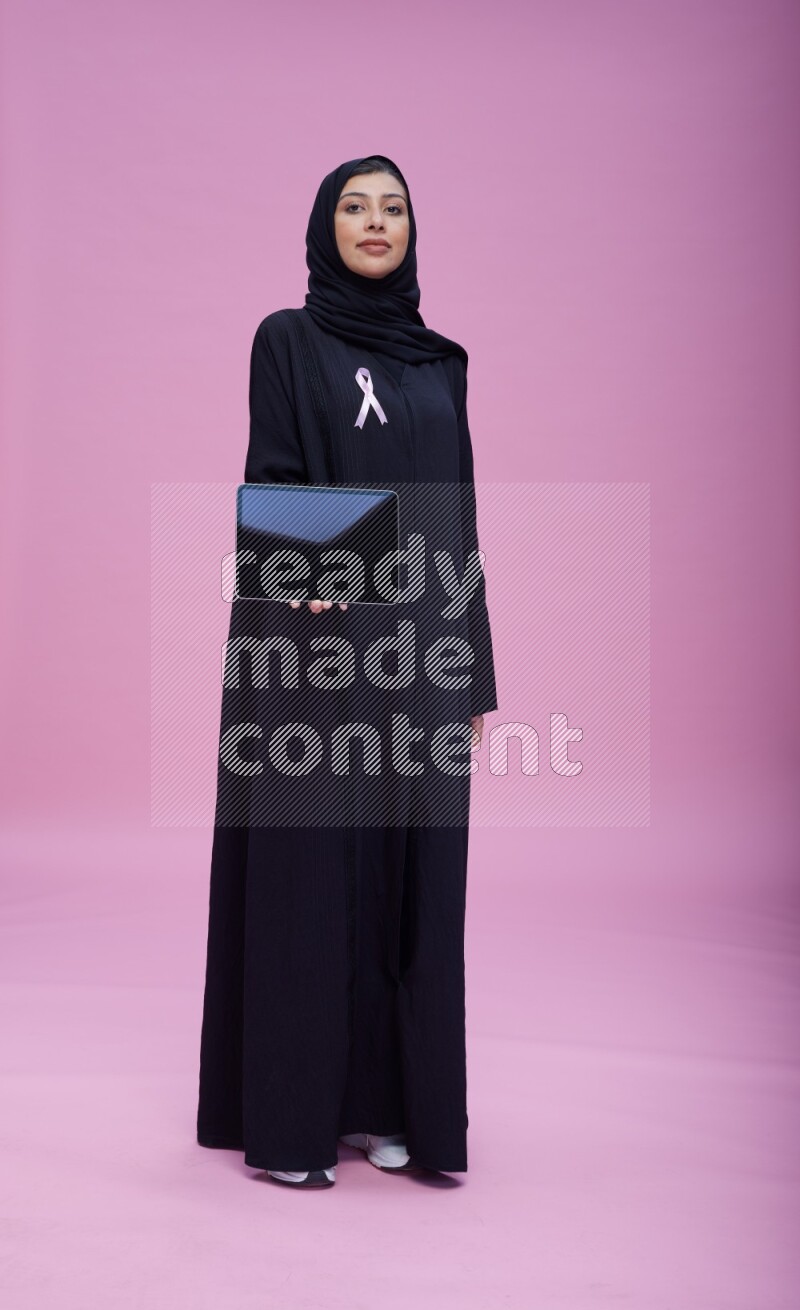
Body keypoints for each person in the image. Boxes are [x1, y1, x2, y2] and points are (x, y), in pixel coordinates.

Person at [196, 154, 498, 1189]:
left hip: (419, 659)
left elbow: (457, 521)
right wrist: (313, 565)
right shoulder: (288, 337)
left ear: (413, 231)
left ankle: (388, 1107)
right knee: (313, 878)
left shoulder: (439, 364)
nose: (376, 222)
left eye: (394, 208)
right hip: (312, 655)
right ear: (324, 225)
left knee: (410, 885)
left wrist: (470, 675)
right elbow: (274, 472)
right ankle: (291, 1120)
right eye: (355, 207)